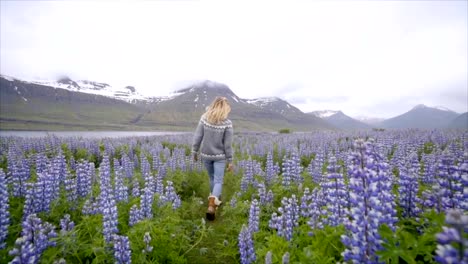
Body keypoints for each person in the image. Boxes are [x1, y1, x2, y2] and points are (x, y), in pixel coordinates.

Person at [192, 96, 234, 220]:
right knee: (218, 180)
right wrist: (230, 161)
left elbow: (198, 136)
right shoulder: (227, 123)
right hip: (220, 156)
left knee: (212, 178)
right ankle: (212, 204)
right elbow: (227, 145)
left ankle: (214, 202)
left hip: (206, 155)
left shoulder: (204, 118)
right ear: (225, 108)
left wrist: (194, 151)